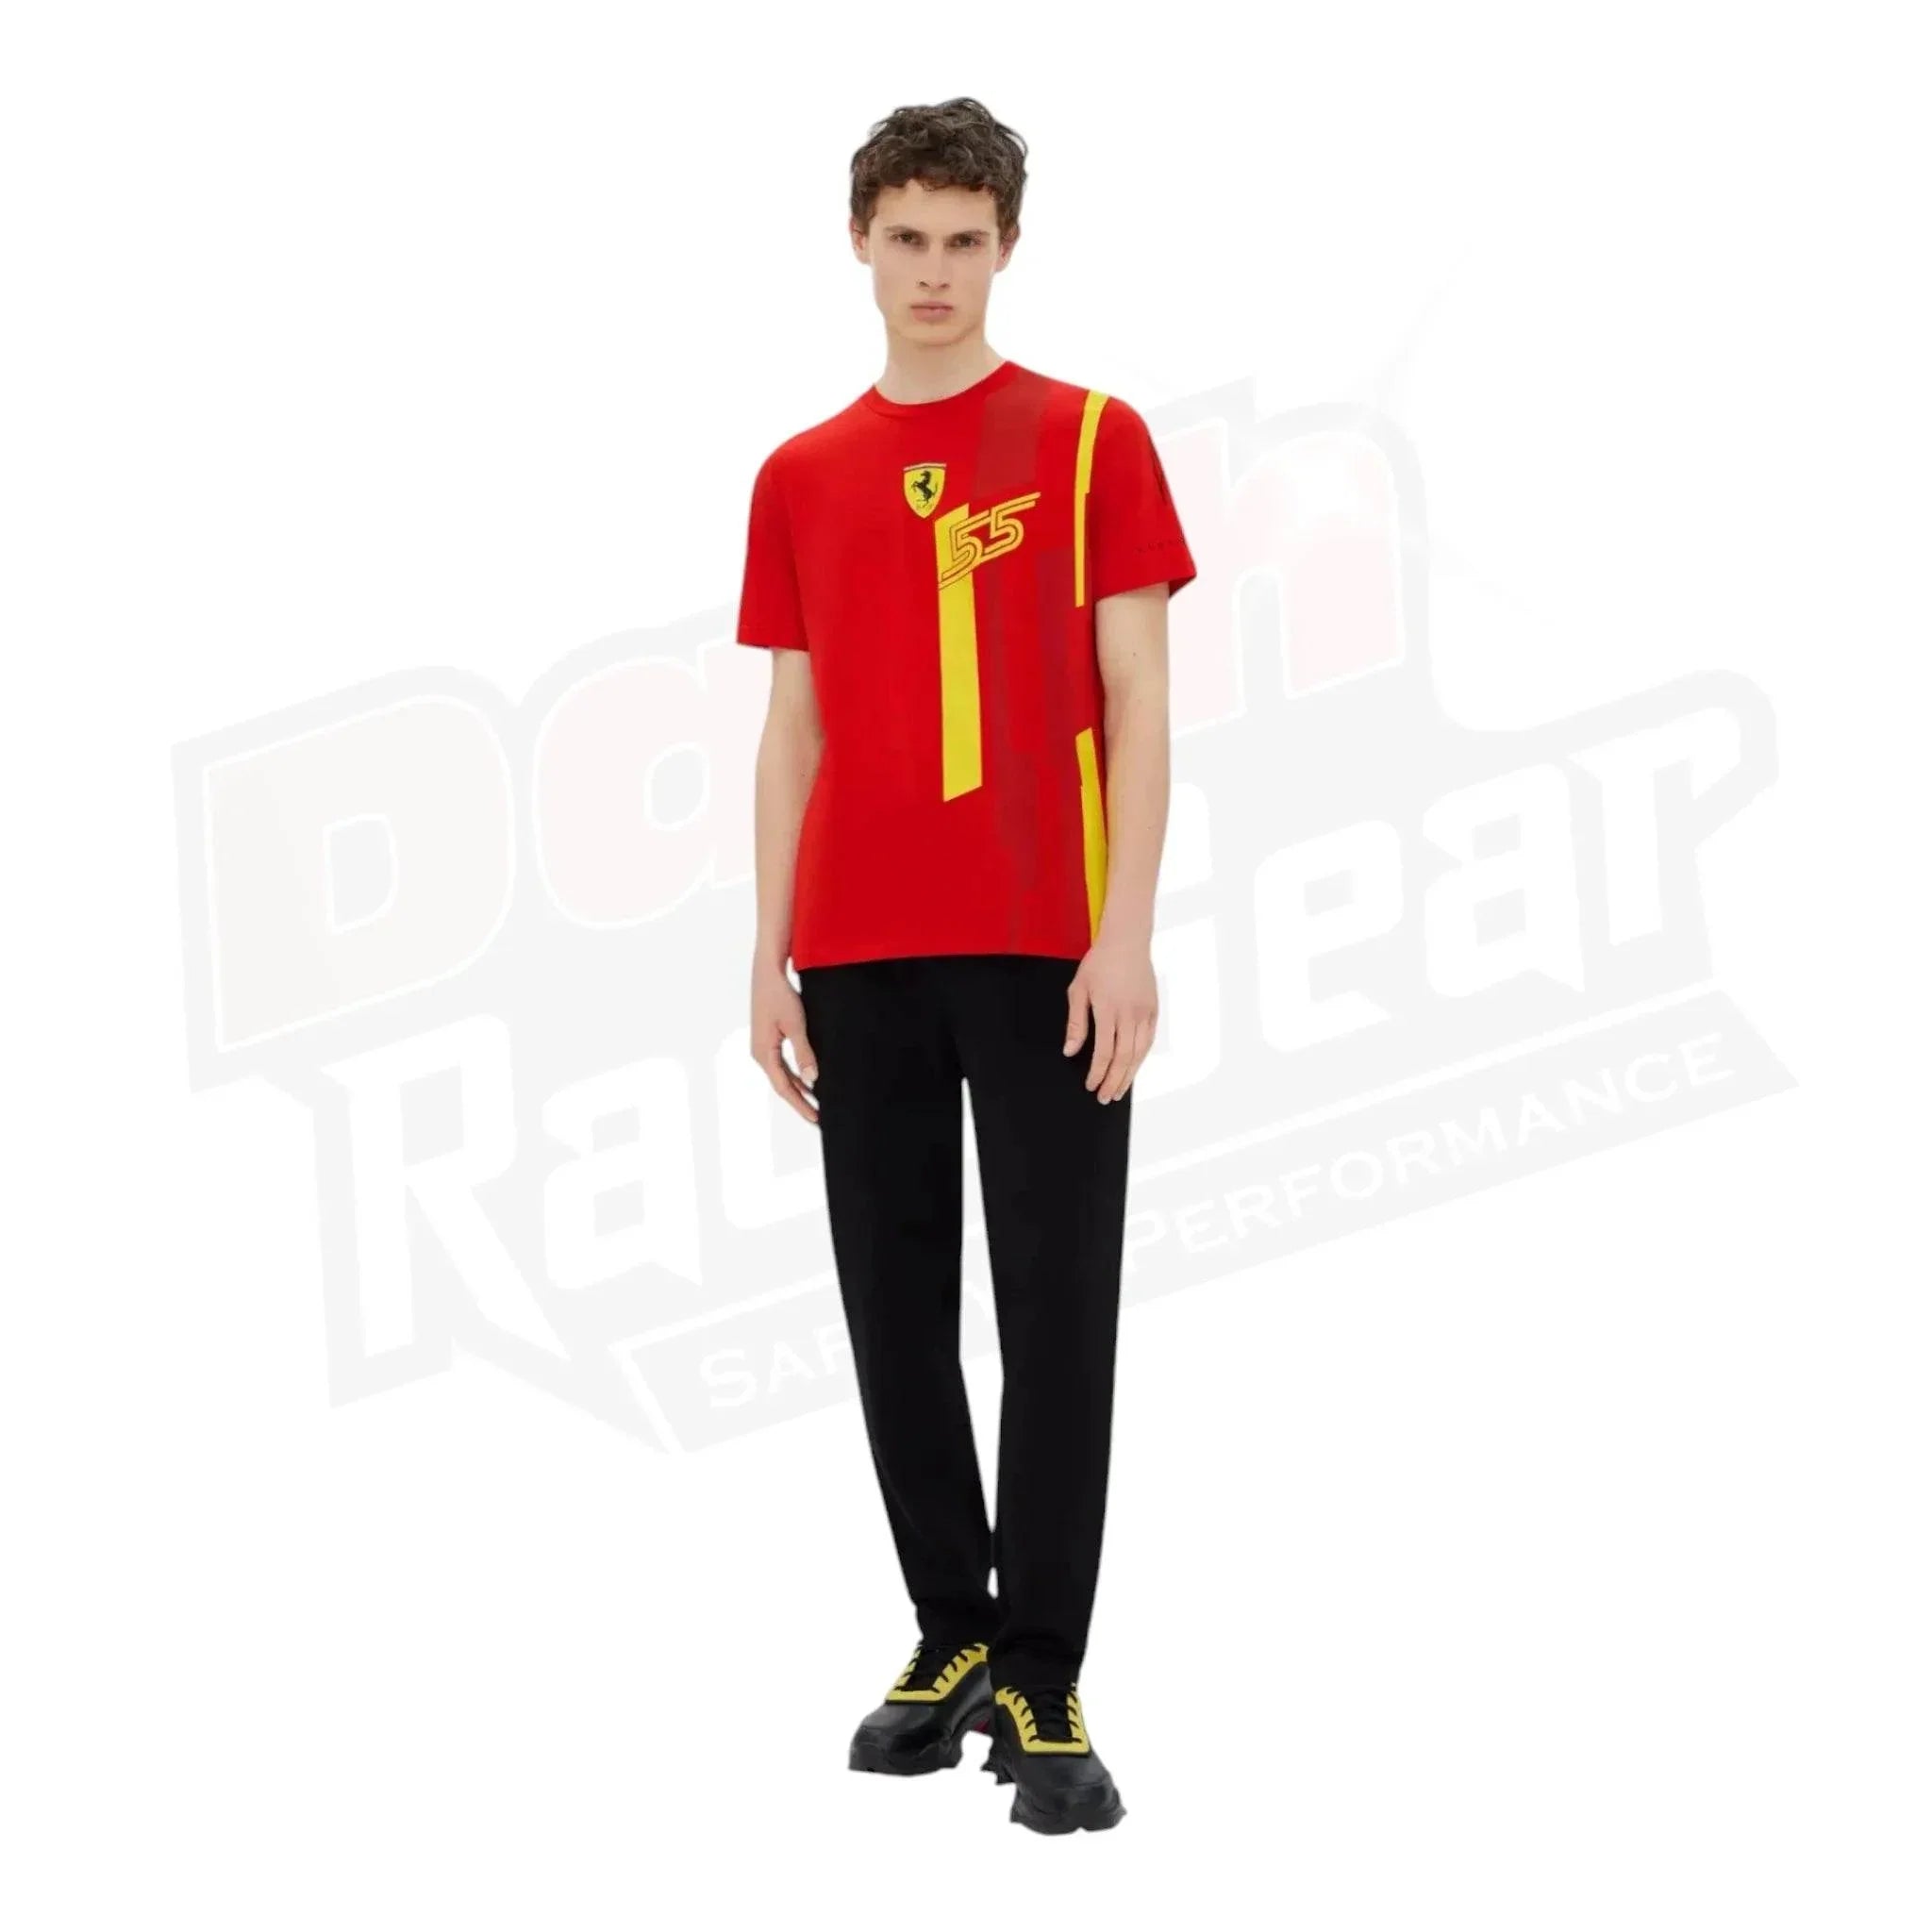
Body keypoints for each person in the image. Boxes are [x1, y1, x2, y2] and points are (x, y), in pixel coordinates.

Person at [733, 96, 1197, 1836]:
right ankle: (950, 1634)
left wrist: (1123, 932)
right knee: (895, 1310)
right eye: (907, 239)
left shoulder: (1091, 442)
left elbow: (1140, 697)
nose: (934, 272)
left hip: (1043, 943)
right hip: (859, 949)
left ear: (1008, 248)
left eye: (965, 242)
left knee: (1057, 1312)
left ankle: (1046, 1671)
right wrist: (766, 956)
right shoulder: (799, 473)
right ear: (860, 244)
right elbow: (791, 728)